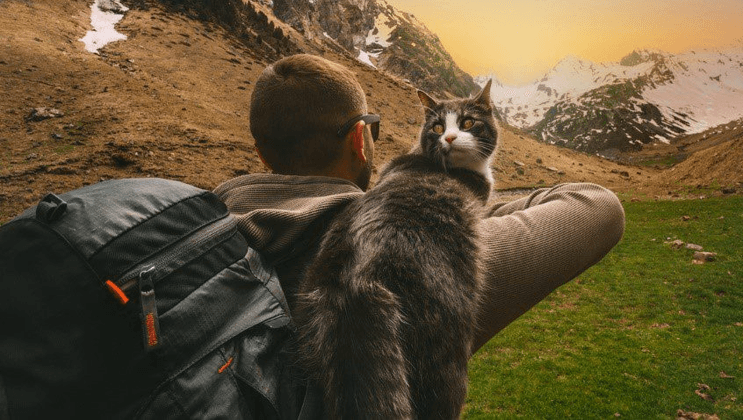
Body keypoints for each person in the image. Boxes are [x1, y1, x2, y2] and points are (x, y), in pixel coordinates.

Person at [214, 53, 625, 354]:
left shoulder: (212, 229)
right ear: (360, 139)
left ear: (262, 154)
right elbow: (596, 205)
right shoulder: (404, 254)